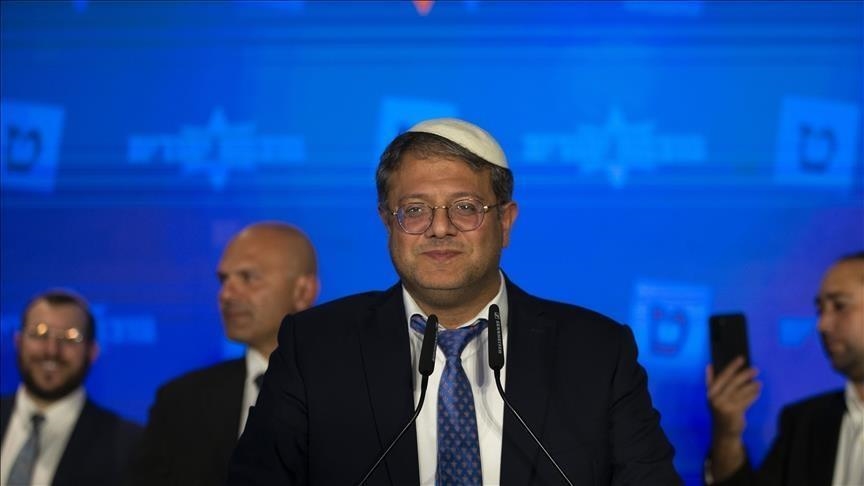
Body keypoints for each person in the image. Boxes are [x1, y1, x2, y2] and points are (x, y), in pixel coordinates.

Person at [228, 118, 681, 485]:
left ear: (505, 222)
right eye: (415, 210)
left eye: (465, 207)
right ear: (387, 223)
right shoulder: (316, 348)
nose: (440, 228)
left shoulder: (596, 352)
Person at [126, 221, 319, 486]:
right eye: (223, 280)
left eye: (248, 277)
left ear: (303, 291)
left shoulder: (349, 392)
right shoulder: (179, 402)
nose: (226, 295)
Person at [705, 251, 864, 485]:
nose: (822, 325)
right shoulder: (804, 424)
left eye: (839, 306)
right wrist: (727, 434)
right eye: (820, 310)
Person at [0, 289, 143, 486]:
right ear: (18, 342)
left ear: (92, 351)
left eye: (70, 337)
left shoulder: (127, 446)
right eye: (39, 334)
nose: (51, 350)